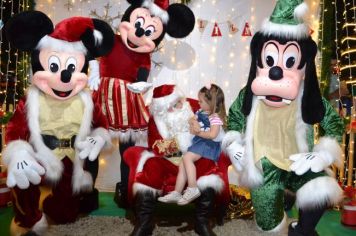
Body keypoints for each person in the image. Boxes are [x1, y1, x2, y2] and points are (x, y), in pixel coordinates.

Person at [223, 1, 344, 235]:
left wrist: (323, 153)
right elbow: (235, 115)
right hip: (263, 166)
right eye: (270, 60)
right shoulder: (249, 94)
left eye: (289, 61)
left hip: (297, 162)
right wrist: (233, 143)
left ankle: (301, 230)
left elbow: (333, 123)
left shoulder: (307, 96)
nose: (277, 70)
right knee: (269, 224)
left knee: (321, 186)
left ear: (303, 65)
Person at [123, 84, 230, 236]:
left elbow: (212, 128)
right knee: (150, 165)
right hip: (169, 160)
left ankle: (202, 222)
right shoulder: (156, 120)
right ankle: (145, 224)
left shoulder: (194, 108)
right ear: (164, 108)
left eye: (180, 100)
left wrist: (195, 131)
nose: (181, 105)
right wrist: (179, 141)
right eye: (175, 104)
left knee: (207, 165)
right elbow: (156, 147)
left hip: (195, 155)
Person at [158, 84, 226, 205]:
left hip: (209, 144)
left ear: (211, 102)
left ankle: (193, 188)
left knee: (188, 158)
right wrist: (194, 122)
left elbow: (212, 135)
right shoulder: (200, 111)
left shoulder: (214, 118)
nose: (198, 103)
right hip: (199, 142)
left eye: (201, 101)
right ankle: (177, 192)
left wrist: (198, 131)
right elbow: (191, 119)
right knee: (183, 163)